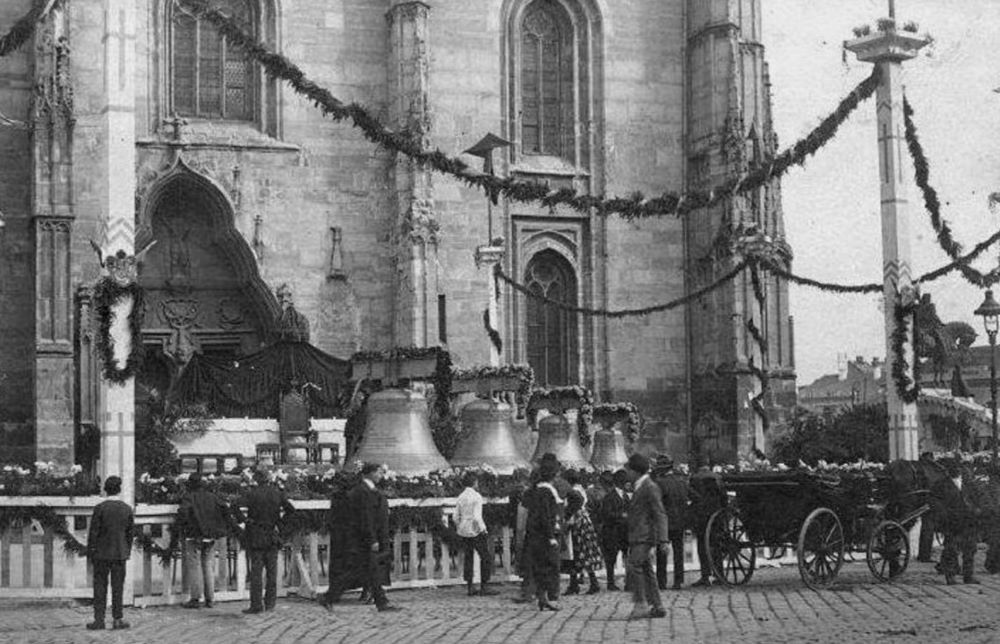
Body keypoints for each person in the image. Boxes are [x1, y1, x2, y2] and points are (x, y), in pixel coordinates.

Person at [322, 463, 400, 612]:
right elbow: (366, 518)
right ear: (368, 473)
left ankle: (381, 602)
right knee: (361, 572)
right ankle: (329, 597)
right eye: (377, 472)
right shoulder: (363, 491)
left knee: (368, 571)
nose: (380, 475)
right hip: (363, 540)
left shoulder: (365, 490)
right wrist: (372, 539)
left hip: (362, 538)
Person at [233, 469, 296, 613]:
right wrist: (280, 523)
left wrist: (245, 520)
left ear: (256, 479)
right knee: (272, 572)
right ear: (268, 479)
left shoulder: (251, 493)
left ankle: (256, 605)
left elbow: (234, 506)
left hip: (255, 533)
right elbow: (291, 510)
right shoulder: (277, 493)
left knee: (256, 572)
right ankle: (270, 603)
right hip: (272, 533)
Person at [86, 475, 134, 631]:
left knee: (100, 587)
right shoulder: (126, 509)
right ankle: (117, 619)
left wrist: (91, 551)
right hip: (120, 553)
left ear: (105, 490)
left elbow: (93, 533)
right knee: (118, 587)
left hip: (101, 553)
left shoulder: (100, 508)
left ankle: (99, 620)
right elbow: (129, 534)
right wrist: (127, 550)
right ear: (119, 490)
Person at [624, 453, 669, 619]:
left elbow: (660, 513)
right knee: (646, 569)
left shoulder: (649, 487)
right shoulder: (639, 486)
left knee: (633, 565)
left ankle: (641, 603)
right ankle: (657, 605)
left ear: (635, 471)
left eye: (628, 469)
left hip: (644, 535)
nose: (627, 473)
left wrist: (663, 539)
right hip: (638, 534)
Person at [177, 473, 232, 609]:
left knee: (194, 565)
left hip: (194, 534)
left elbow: (183, 513)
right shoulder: (212, 497)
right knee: (208, 565)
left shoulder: (189, 497)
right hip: (210, 534)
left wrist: (182, 527)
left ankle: (195, 598)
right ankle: (210, 598)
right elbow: (225, 508)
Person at [931, 460, 980, 585]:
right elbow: (935, 503)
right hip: (951, 522)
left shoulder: (969, 483)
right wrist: (944, 515)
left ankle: (968, 576)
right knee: (951, 549)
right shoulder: (940, 485)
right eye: (953, 468)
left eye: (959, 467)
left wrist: (976, 510)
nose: (957, 470)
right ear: (948, 471)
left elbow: (977, 498)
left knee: (970, 548)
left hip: (969, 520)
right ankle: (951, 576)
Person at [524, 456, 563, 611]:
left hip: (539, 535)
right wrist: (551, 536)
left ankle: (542, 597)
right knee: (550, 567)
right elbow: (545, 516)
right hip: (545, 535)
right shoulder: (545, 491)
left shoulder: (539, 490)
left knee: (542, 566)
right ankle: (550, 597)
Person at [455, 471, 498, 596]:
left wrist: (460, 526)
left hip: (464, 529)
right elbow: (476, 516)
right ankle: (484, 586)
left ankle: (470, 587)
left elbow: (455, 516)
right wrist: (483, 529)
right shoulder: (477, 496)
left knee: (468, 557)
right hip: (475, 529)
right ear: (475, 483)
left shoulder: (461, 496)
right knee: (485, 557)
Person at [563, 470, 603, 595]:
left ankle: (583, 583)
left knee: (577, 552)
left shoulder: (573, 492)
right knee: (582, 553)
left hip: (577, 523)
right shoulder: (581, 489)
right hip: (584, 521)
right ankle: (579, 582)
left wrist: (568, 514)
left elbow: (577, 501)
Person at [653, 454, 689, 590]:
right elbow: (693, 496)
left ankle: (661, 582)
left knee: (662, 552)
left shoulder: (659, 483)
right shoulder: (681, 481)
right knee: (678, 551)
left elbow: (656, 504)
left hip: (665, 522)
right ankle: (678, 581)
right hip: (680, 521)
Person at [688, 460, 725, 587]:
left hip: (701, 516)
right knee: (717, 545)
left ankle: (705, 575)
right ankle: (720, 574)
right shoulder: (718, 477)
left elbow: (691, 495)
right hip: (716, 515)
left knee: (702, 545)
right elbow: (723, 496)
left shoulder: (694, 478)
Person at [597, 469, 630, 591]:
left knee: (627, 556)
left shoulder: (625, 496)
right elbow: (606, 514)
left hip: (624, 531)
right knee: (611, 558)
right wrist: (621, 515)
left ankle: (629, 582)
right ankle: (610, 582)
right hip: (612, 531)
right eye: (625, 482)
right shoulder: (609, 497)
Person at [916, 451, 937, 563]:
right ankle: (925, 554)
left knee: (927, 528)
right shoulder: (927, 471)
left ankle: (923, 554)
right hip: (927, 503)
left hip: (923, 501)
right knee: (928, 528)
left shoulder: (920, 469)